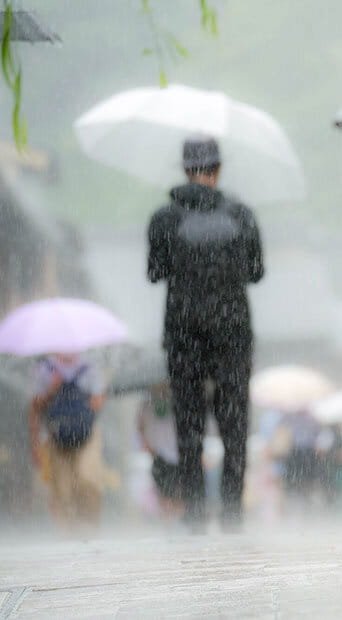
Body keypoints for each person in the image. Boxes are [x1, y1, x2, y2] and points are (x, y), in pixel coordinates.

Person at [147, 136, 264, 531]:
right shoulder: (242, 215)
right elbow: (256, 272)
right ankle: (232, 511)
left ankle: (195, 511)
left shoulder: (165, 219)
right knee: (234, 424)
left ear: (185, 170)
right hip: (233, 331)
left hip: (183, 333)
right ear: (218, 169)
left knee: (189, 424)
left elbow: (155, 272)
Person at [28, 352, 107, 529]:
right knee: (62, 490)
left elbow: (99, 400)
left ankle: (89, 527)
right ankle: (68, 533)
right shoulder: (44, 370)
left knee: (87, 479)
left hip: (86, 435)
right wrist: (52, 390)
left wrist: (86, 400)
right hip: (56, 435)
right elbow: (34, 408)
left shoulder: (90, 368)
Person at [137, 383, 183, 518]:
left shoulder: (179, 399)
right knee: (164, 493)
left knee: (181, 494)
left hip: (180, 455)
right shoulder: (148, 403)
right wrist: (146, 444)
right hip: (160, 456)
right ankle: (169, 521)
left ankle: (183, 522)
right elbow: (140, 426)